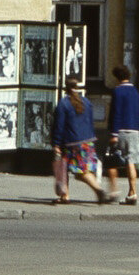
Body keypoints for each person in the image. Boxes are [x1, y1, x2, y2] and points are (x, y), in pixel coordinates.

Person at [51, 75, 111, 204]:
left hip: (72, 142)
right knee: (71, 168)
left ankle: (97, 190)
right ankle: (65, 195)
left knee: (75, 170)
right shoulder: (86, 102)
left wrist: (56, 143)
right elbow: (90, 122)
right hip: (87, 141)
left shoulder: (63, 103)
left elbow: (59, 125)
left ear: (65, 88)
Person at [101, 63, 139, 204]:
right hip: (134, 130)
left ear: (117, 77)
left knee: (111, 161)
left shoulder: (117, 91)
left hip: (120, 131)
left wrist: (113, 133)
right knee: (130, 162)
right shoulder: (135, 91)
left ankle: (114, 191)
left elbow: (116, 113)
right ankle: (133, 193)